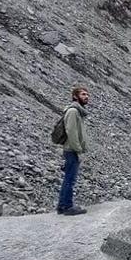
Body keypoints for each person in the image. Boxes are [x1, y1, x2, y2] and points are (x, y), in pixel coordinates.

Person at [55, 86, 89, 216]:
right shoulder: (73, 111)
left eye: (87, 95)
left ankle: (62, 206)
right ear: (75, 96)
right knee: (70, 179)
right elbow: (72, 132)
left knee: (69, 178)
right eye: (83, 94)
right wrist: (78, 150)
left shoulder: (77, 111)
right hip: (71, 150)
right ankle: (67, 206)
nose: (86, 97)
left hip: (71, 149)